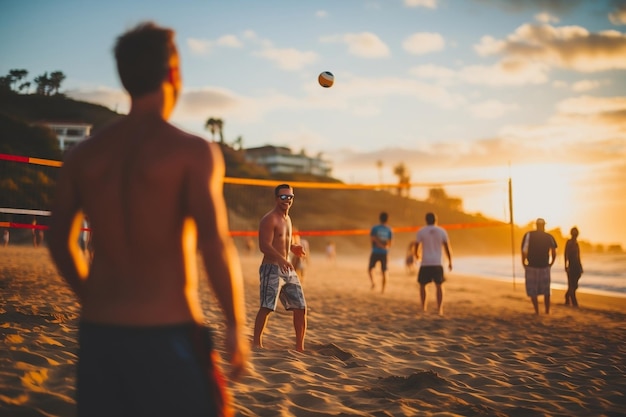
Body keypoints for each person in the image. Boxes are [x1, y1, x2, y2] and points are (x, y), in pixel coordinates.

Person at [47, 22, 248, 417]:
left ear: (124, 78)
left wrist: (92, 296)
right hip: (167, 332)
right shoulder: (192, 151)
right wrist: (234, 324)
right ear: (174, 72)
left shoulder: (83, 156)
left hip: (100, 334)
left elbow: (59, 241)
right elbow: (213, 244)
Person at [253, 184, 307, 352]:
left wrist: (294, 247)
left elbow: (284, 242)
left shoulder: (288, 219)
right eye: (283, 197)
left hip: (287, 269)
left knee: (300, 307)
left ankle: (300, 348)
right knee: (267, 307)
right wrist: (281, 259)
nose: (287, 200)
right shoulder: (269, 219)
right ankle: (256, 343)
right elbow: (264, 246)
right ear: (276, 198)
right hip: (271, 268)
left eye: (290, 197)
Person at [413, 212, 452, 315]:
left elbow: (416, 246)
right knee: (439, 285)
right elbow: (447, 247)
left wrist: (417, 255)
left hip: (425, 262)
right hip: (437, 262)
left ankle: (423, 308)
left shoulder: (421, 231)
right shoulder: (442, 231)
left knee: (422, 285)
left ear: (426, 220)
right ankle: (439, 309)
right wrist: (450, 261)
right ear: (436, 220)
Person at [521, 218, 557, 315]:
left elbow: (524, 250)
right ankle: (546, 311)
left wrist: (523, 262)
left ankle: (537, 311)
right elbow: (554, 252)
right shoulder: (549, 236)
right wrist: (551, 263)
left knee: (533, 290)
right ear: (544, 226)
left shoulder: (529, 235)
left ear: (536, 225)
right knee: (546, 290)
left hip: (532, 265)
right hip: (544, 266)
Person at [368, 212, 392, 293]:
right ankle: (381, 288)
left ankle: (375, 284)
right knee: (383, 270)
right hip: (383, 252)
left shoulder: (375, 228)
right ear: (387, 219)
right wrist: (383, 245)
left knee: (371, 269)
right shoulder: (389, 229)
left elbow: (373, 239)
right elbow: (390, 243)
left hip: (377, 252)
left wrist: (380, 245)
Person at [564, 226, 583, 308]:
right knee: (571, 284)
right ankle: (574, 302)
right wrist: (566, 265)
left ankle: (567, 296)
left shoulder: (576, 243)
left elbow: (578, 256)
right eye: (574, 233)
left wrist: (580, 266)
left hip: (577, 266)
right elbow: (566, 255)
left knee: (574, 285)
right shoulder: (569, 242)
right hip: (571, 265)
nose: (575, 235)